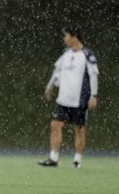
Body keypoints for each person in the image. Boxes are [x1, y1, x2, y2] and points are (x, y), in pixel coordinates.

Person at [39, 27, 99, 168]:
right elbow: (56, 71)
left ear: (75, 37)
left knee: (79, 129)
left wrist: (93, 96)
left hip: (80, 100)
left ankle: (77, 160)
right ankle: (53, 158)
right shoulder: (65, 54)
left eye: (66, 36)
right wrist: (49, 86)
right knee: (55, 125)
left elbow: (94, 76)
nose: (64, 39)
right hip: (63, 99)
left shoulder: (87, 55)